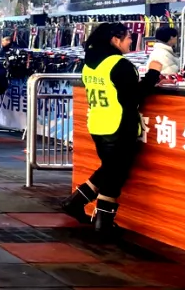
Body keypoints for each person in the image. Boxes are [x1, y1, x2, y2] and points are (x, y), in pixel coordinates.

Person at [63, 22, 158, 239]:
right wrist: (153, 73)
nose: (131, 41)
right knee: (115, 175)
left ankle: (76, 202)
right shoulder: (119, 64)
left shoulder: (89, 64)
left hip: (97, 124)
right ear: (115, 40)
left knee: (110, 169)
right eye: (127, 38)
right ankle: (103, 224)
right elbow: (134, 96)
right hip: (119, 126)